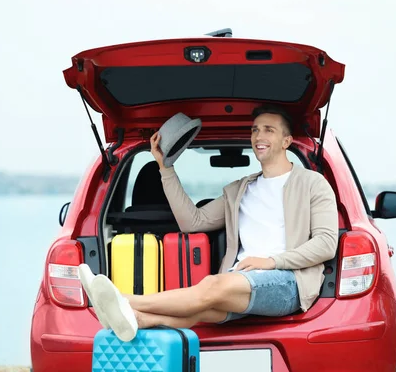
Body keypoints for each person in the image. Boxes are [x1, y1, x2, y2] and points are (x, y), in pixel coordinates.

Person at [79, 104, 339, 342]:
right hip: (241, 280)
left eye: (269, 130)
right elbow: (193, 222)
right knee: (202, 309)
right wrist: (165, 168)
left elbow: (326, 243)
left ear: (286, 141)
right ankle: (139, 319)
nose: (259, 137)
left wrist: (271, 261)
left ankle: (123, 300)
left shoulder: (312, 183)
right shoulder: (239, 191)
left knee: (212, 285)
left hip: (288, 282)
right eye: (255, 130)